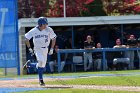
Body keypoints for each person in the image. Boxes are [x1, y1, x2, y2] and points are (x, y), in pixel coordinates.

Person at [25, 17, 56, 86]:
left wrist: (51, 49)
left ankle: (29, 64)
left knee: (42, 66)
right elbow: (26, 38)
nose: (46, 25)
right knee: (41, 61)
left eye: (46, 24)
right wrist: (30, 48)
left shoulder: (49, 29)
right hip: (37, 49)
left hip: (46, 49)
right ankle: (41, 80)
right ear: (40, 24)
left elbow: (54, 38)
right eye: (44, 24)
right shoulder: (34, 30)